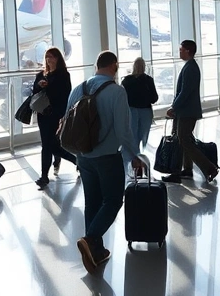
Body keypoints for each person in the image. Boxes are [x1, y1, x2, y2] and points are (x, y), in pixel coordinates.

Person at [68, 51, 145, 274]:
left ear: (96, 66)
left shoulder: (79, 88)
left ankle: (96, 251)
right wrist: (135, 155)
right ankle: (90, 239)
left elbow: (68, 122)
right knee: (112, 200)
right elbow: (123, 131)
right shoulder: (117, 91)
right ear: (114, 66)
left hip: (83, 156)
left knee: (92, 202)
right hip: (107, 157)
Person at [164, 40, 219, 185]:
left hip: (186, 112)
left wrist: (174, 107)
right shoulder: (190, 66)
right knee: (184, 139)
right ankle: (187, 168)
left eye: (181, 50)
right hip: (186, 111)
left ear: (188, 51)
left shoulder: (190, 68)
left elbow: (185, 92)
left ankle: (209, 168)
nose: (179, 52)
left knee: (184, 139)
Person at [33, 48, 75, 189]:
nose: (48, 59)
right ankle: (75, 161)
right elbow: (34, 92)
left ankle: (44, 176)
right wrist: (39, 85)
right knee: (50, 144)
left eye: (51, 57)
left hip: (55, 114)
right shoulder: (41, 75)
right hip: (43, 114)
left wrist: (48, 86)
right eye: (47, 57)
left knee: (48, 145)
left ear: (58, 59)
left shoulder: (63, 75)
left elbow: (65, 94)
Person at [122, 57, 158, 150]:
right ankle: (143, 153)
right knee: (144, 135)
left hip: (131, 110)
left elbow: (123, 98)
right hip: (145, 110)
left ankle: (135, 154)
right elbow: (154, 98)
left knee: (133, 135)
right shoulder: (148, 80)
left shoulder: (126, 81)